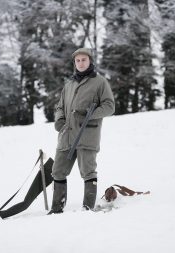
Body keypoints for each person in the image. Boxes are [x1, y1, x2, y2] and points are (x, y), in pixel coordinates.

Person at [48, 48, 115, 214]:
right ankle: (57, 208)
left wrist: (91, 114)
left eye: (84, 60)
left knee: (88, 171)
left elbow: (109, 106)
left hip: (87, 134)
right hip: (67, 135)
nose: (80, 63)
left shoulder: (100, 82)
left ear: (90, 61)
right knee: (58, 171)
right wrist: (59, 120)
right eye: (77, 61)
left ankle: (88, 208)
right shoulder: (69, 84)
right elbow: (59, 106)